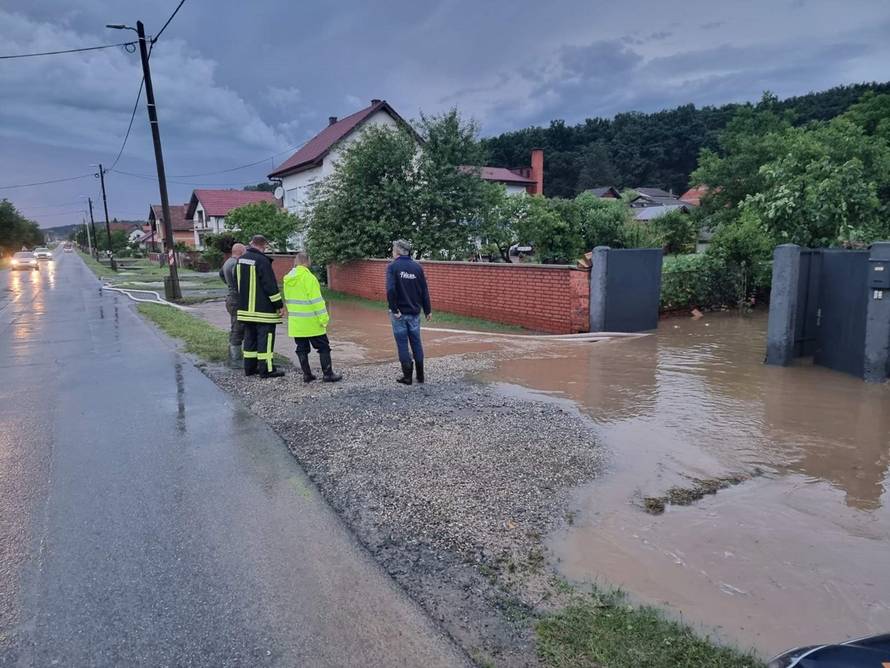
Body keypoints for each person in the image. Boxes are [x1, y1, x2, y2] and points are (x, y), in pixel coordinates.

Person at [283, 252, 342, 383]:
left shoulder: (287, 279)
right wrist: (324, 318)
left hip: (296, 323)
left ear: (296, 262)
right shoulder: (309, 278)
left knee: (302, 348)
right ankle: (328, 374)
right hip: (312, 322)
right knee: (323, 347)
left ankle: (307, 375)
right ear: (307, 262)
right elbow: (317, 301)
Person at [236, 235, 285, 378]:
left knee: (250, 339)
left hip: (245, 310)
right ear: (263, 245)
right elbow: (270, 285)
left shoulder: (240, 260)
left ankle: (250, 368)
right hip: (263, 311)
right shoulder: (262, 261)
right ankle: (267, 370)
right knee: (266, 339)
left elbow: (236, 282)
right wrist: (279, 305)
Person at [386, 239, 431, 385]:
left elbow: (391, 289)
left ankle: (407, 377)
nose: (392, 252)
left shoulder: (393, 267)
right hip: (414, 313)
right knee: (416, 342)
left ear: (398, 251)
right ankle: (420, 376)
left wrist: (394, 309)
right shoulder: (417, 267)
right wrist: (427, 310)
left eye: (393, 250)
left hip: (399, 314)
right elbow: (424, 290)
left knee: (402, 344)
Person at [219, 242, 246, 368]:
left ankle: (234, 356)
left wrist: (229, 285)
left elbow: (221, 274)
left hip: (231, 297)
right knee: (238, 328)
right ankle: (235, 359)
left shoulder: (227, 262)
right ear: (240, 251)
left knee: (236, 326)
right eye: (245, 251)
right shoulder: (236, 264)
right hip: (236, 299)